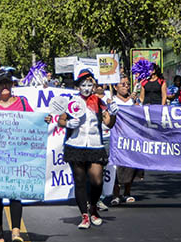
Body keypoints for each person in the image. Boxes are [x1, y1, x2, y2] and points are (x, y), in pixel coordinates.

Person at [0, 68, 50, 242]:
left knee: (16, 192)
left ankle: (16, 231)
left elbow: (33, 122)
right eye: (1, 83)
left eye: (8, 82)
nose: (5, 86)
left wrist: (44, 121)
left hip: (17, 155)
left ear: (13, 84)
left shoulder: (22, 102)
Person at [56, 68, 117, 229]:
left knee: (97, 180)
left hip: (95, 144)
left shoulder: (99, 102)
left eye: (89, 84)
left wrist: (114, 113)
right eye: (83, 84)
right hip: (75, 144)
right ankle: (84, 215)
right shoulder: (71, 101)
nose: (86, 87)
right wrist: (68, 123)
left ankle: (94, 208)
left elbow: (108, 123)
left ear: (93, 85)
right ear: (78, 86)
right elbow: (60, 120)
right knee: (80, 181)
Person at [109, 75, 140, 206]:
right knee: (116, 166)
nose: (126, 86)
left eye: (127, 84)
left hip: (130, 137)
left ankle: (127, 192)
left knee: (130, 165)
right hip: (116, 137)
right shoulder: (112, 100)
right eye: (122, 84)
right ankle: (116, 194)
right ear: (115, 87)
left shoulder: (133, 101)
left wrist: (137, 104)